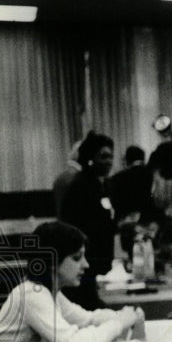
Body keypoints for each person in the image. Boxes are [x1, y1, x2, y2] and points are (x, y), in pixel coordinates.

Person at [0, 221, 141, 342]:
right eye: (77, 258)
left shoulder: (49, 293)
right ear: (53, 262)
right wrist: (119, 323)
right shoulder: (32, 295)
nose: (86, 264)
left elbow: (87, 319)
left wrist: (123, 315)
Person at [59, 131, 117, 308]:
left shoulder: (103, 185)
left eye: (111, 156)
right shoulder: (81, 187)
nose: (109, 161)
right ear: (90, 158)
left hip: (94, 266)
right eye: (103, 156)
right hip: (83, 266)